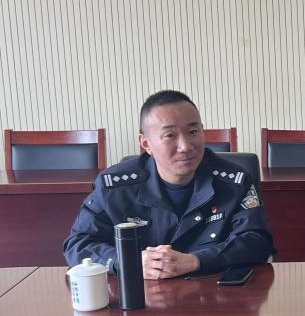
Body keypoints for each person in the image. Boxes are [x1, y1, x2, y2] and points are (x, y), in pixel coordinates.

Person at [64, 90, 274, 279]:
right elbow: (78, 244)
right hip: (141, 298)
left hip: (213, 294)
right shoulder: (115, 187)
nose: (185, 146)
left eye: (193, 132)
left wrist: (195, 261)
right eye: (170, 135)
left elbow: (257, 241)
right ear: (146, 143)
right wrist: (127, 262)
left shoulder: (234, 181)